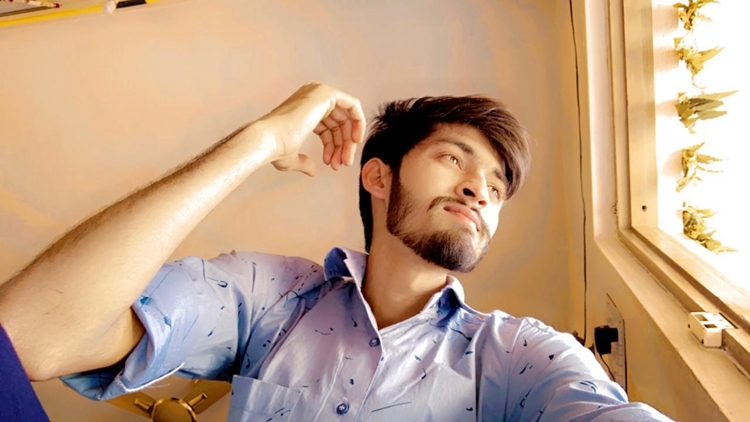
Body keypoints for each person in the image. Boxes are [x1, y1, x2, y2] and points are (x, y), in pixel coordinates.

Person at [0, 83, 673, 421]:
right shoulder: (268, 296)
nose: (479, 189)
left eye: (497, 189)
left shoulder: (519, 356)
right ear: (377, 176)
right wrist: (260, 141)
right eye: (454, 159)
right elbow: (30, 338)